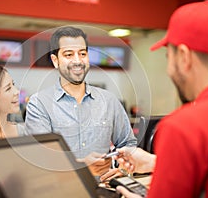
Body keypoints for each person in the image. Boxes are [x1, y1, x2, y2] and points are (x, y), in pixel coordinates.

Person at [113, 0, 208, 198]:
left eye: (168, 57)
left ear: (183, 56)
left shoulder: (185, 127)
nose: (168, 69)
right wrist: (156, 163)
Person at [24, 26, 137, 175]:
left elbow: (128, 144)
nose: (77, 61)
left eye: (82, 53)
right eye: (69, 54)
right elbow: (40, 158)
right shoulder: (39, 104)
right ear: (55, 60)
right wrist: (83, 168)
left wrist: (120, 168)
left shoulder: (109, 101)